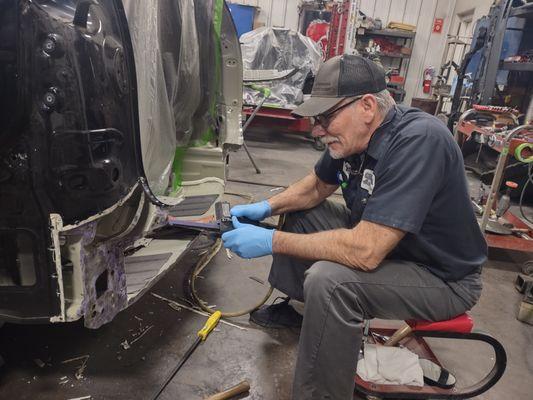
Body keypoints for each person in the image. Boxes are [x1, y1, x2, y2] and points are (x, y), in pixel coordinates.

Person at [221, 55, 487, 400]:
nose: (318, 129)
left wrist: (272, 239)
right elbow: (316, 187)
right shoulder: (352, 137)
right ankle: (306, 315)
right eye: (316, 119)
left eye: (326, 117)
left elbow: (366, 250)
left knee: (331, 282)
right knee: (303, 215)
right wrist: (265, 208)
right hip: (393, 244)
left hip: (441, 277)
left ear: (366, 107)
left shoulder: (420, 141)